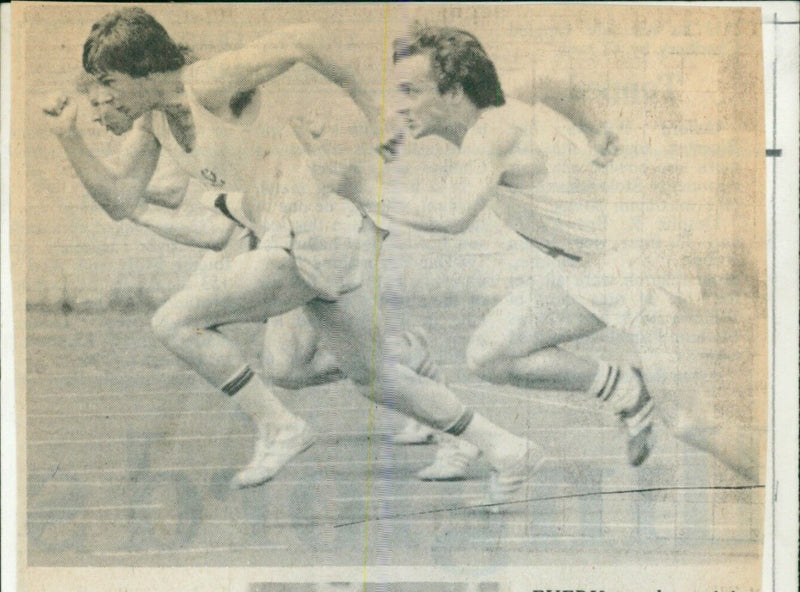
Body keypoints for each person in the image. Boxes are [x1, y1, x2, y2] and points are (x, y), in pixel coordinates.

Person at [71, 8, 536, 504]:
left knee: (174, 321)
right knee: (374, 378)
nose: (106, 94)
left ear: (143, 68)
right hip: (301, 236)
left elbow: (304, 38)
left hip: (310, 228)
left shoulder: (204, 83)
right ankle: (508, 448)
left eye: (110, 81)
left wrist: (376, 110)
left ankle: (280, 428)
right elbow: (120, 200)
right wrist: (67, 137)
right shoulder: (155, 126)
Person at [380, 24, 757, 484]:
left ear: (455, 91)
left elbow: (451, 215)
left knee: (691, 421)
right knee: (491, 354)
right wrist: (594, 129)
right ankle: (626, 391)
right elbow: (553, 76)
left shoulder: (489, 135)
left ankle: (781, 489)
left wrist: (363, 190)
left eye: (412, 91)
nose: (402, 104)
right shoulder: (499, 104)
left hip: (643, 268)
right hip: (587, 272)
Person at [44, 81, 435, 462]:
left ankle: (418, 387)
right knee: (285, 367)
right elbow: (159, 194)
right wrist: (108, 182)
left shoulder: (190, 119)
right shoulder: (166, 126)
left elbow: (172, 199)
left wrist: (116, 190)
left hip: (321, 228)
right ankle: (405, 359)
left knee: (202, 326)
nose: (99, 115)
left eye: (103, 102)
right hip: (275, 227)